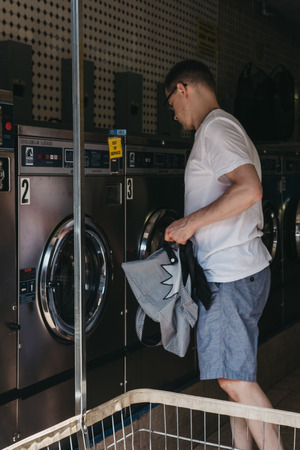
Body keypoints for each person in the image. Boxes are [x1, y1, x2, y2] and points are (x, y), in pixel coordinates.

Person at [163, 59, 284, 450]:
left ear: (183, 88)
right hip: (241, 270)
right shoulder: (227, 128)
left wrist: (189, 224)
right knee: (235, 378)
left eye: (171, 104)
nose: (175, 115)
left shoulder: (216, 129)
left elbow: (249, 189)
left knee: (234, 381)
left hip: (230, 276)